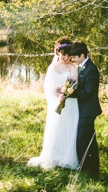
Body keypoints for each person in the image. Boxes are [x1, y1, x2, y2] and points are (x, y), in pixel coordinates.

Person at [28, 37, 79, 170]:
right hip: (56, 103)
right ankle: (54, 156)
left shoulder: (73, 67)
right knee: (56, 128)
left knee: (68, 128)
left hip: (70, 103)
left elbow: (75, 83)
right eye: (63, 54)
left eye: (68, 54)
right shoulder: (52, 67)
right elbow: (48, 86)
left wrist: (65, 92)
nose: (66, 57)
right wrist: (57, 94)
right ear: (57, 53)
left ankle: (67, 158)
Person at [63, 41, 101, 178]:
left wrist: (70, 93)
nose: (72, 59)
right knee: (90, 141)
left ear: (82, 55)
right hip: (82, 110)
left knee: (81, 141)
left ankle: (84, 170)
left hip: (88, 111)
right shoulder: (81, 67)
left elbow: (87, 93)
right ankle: (93, 169)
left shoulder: (91, 69)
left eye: (74, 57)